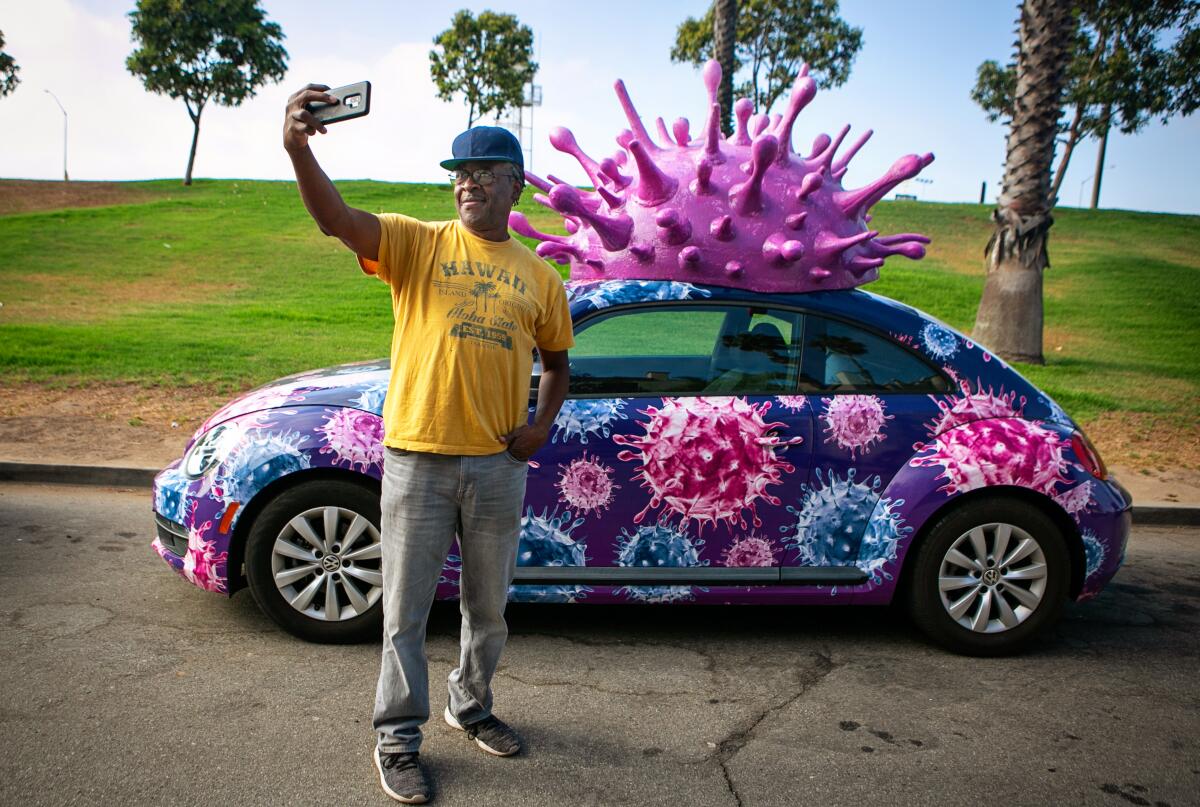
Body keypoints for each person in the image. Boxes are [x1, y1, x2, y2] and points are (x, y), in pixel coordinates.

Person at [283, 84, 573, 805]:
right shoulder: (417, 243)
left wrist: (539, 427)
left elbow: (559, 362)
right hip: (417, 457)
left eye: (482, 172)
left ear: (515, 185)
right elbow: (337, 221)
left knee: (487, 609)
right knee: (404, 613)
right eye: (458, 173)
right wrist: (296, 149)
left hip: (497, 467)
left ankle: (469, 704)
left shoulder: (541, 277)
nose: (467, 182)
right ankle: (398, 740)